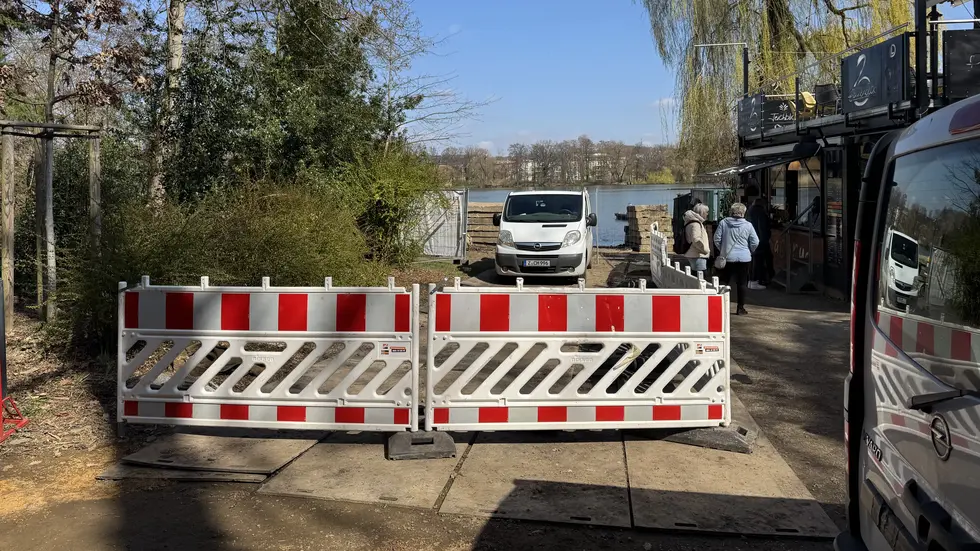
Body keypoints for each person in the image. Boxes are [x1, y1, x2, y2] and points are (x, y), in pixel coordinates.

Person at [714, 202, 759, 315]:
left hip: (727, 257)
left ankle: (721, 306)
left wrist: (723, 249)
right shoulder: (748, 225)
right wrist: (749, 250)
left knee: (724, 281)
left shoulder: (724, 223)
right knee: (742, 283)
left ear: (731, 211)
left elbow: (716, 239)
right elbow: (755, 241)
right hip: (744, 258)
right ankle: (740, 308)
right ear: (743, 212)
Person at [747, 198, 773, 289]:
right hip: (760, 240)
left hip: (751, 239)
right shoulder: (760, 212)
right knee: (759, 261)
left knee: (753, 260)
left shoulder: (749, 211)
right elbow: (762, 227)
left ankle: (751, 280)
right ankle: (757, 280)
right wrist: (764, 240)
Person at [682, 203, 710, 274]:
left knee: (694, 277)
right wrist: (705, 250)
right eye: (706, 212)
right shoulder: (696, 224)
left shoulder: (691, 222)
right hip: (698, 255)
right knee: (700, 278)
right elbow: (696, 240)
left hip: (693, 253)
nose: (707, 214)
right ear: (702, 212)